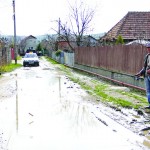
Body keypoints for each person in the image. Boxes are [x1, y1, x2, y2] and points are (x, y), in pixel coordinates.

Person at [136, 43, 150, 108]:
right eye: (148, 47)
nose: (148, 49)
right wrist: (140, 73)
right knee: (148, 91)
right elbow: (145, 67)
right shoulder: (147, 56)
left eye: (149, 47)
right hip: (147, 76)